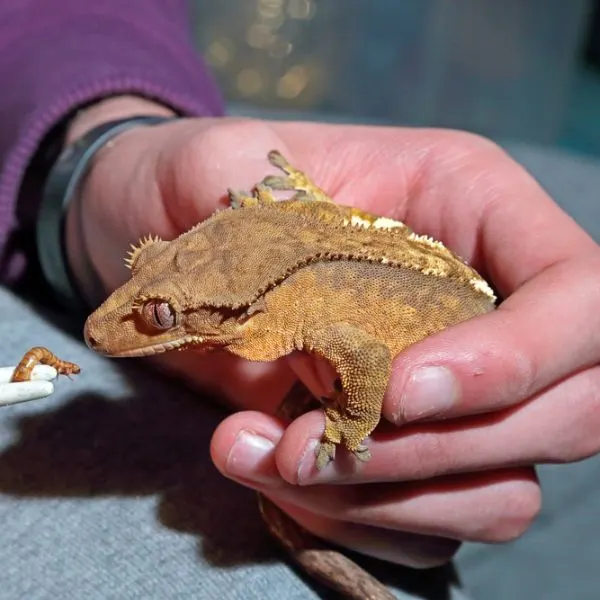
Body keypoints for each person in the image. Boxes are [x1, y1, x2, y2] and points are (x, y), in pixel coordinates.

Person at [1, 2, 600, 599]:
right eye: (144, 273)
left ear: (239, 307)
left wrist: (352, 419)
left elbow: (362, 356)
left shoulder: (301, 307)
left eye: (159, 315)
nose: (110, 323)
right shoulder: (274, 262)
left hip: (440, 334)